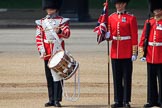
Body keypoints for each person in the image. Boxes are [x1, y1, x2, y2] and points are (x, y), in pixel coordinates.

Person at [35, 0, 70, 107]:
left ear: (56, 9)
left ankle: (57, 99)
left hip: (57, 51)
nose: (49, 11)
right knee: (49, 76)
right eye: (48, 8)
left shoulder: (62, 21)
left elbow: (67, 34)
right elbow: (38, 37)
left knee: (58, 76)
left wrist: (60, 32)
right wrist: (41, 50)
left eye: (52, 8)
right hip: (47, 52)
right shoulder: (41, 22)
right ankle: (51, 99)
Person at [106, 0, 138, 107]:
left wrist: (134, 52)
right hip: (115, 51)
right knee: (117, 78)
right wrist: (106, 36)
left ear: (124, 4)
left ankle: (126, 100)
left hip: (127, 51)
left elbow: (134, 36)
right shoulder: (111, 17)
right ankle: (117, 100)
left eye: (120, 4)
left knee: (127, 77)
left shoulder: (131, 18)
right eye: (117, 4)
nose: (118, 6)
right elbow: (110, 35)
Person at [139, 0, 162, 107]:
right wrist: (141, 52)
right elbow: (144, 37)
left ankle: (161, 100)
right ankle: (151, 100)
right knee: (151, 80)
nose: (157, 11)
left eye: (159, 9)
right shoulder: (150, 22)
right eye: (156, 9)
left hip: (160, 55)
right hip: (150, 54)